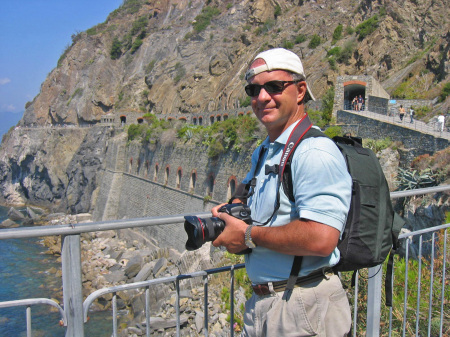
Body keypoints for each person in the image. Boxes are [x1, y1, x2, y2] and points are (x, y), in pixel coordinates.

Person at [211, 48, 352, 337]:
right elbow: (246, 197)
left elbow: (322, 237)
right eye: (254, 89)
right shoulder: (265, 150)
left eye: (275, 87)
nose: (262, 97)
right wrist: (231, 215)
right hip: (267, 304)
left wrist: (248, 235)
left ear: (300, 91)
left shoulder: (314, 151)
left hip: (304, 306)